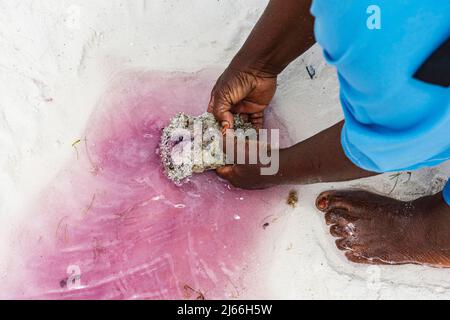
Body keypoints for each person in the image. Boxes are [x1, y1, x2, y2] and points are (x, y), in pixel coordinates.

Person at [208, 0, 450, 266]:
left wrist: (273, 167)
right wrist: (257, 65)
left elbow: (387, 144)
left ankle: (429, 234)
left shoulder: (413, 74)